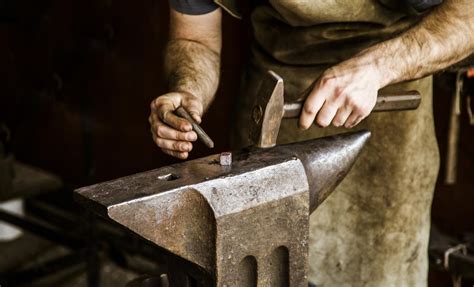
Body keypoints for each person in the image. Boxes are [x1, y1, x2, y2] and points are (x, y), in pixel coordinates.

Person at [148, 0, 474, 285]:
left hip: (389, 103)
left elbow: (468, 16)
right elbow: (194, 37)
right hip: (274, 103)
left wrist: (378, 67)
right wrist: (189, 90)